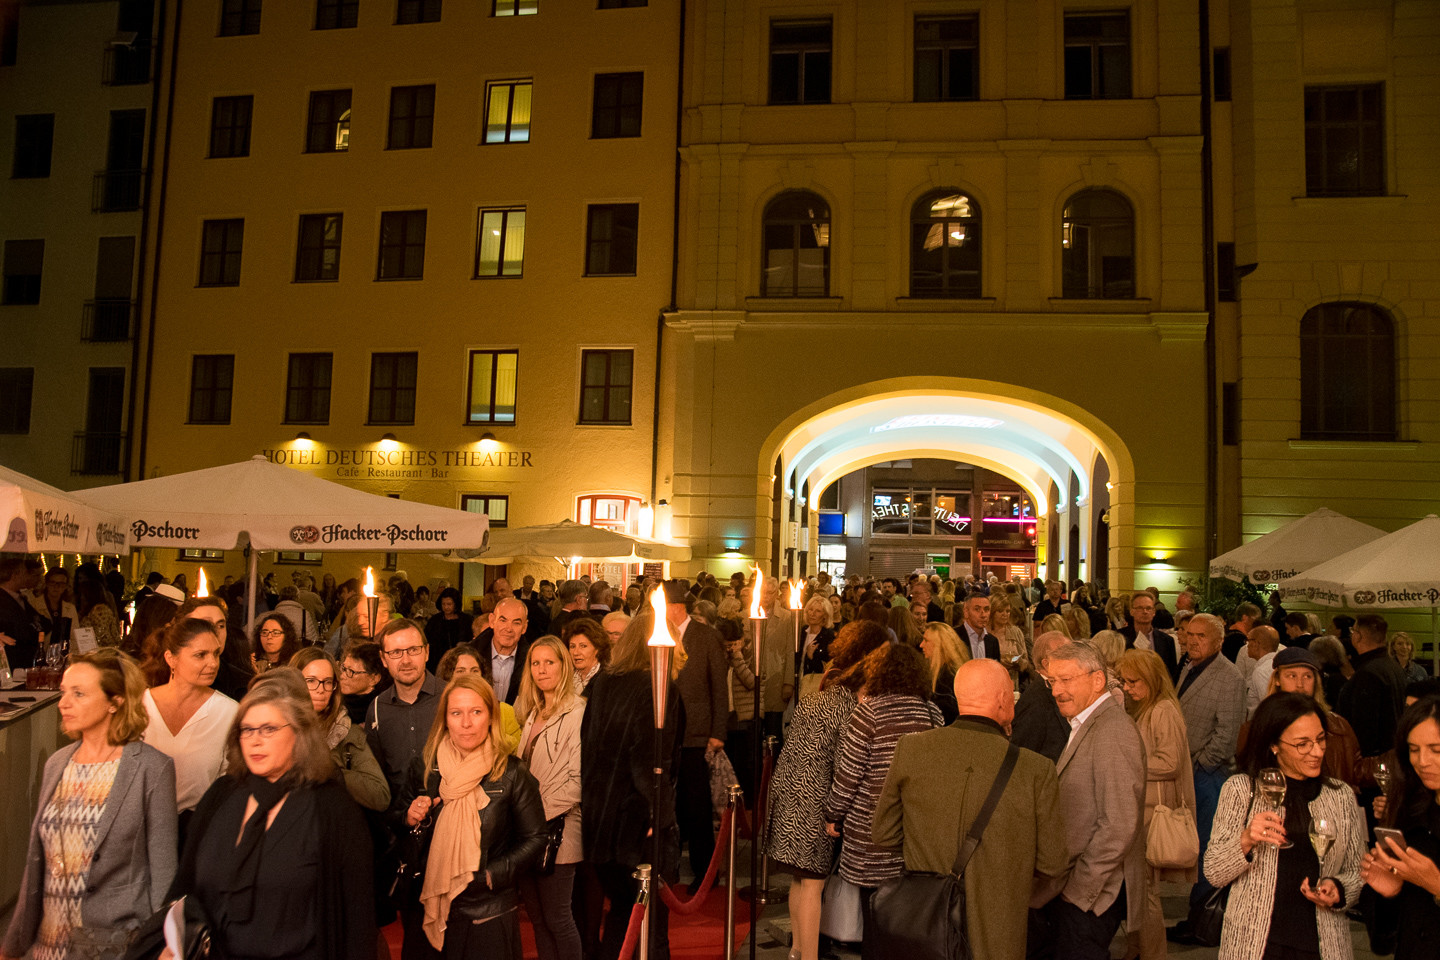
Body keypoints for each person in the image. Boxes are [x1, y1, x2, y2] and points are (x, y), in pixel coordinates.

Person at [167, 670, 377, 960]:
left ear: (299, 734)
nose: (255, 740)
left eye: (269, 729)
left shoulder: (331, 808)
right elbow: (185, 886)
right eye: (247, 729)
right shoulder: (222, 795)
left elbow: (357, 918)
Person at [872, 659, 1068, 960]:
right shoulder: (1036, 769)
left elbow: (883, 833)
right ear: (1004, 699)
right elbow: (1052, 863)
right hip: (1000, 931)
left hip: (927, 924)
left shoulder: (911, 749)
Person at [1, 649, 177, 960]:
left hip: (113, 944)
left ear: (116, 701)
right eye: (64, 692)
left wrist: (166, 943)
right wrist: (13, 943)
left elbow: (163, 870)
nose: (63, 703)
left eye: (79, 693)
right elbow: (37, 864)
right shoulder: (57, 763)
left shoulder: (152, 768)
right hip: (48, 944)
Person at [1204, 693, 1366, 959]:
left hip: (1322, 944)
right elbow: (1214, 872)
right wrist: (1245, 840)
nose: (1317, 751)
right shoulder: (1242, 791)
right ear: (1274, 745)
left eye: (1320, 739)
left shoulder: (1340, 795)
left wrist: (1338, 889)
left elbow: (1356, 871)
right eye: (1302, 744)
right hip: (1255, 944)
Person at [766, 621, 890, 960]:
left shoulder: (819, 696)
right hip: (816, 801)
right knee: (814, 883)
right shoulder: (849, 706)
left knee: (800, 880)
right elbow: (845, 762)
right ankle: (808, 956)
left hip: (791, 794)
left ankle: (796, 950)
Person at [399, 673, 546, 958]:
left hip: (487, 912)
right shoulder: (427, 767)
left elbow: (537, 837)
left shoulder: (512, 773)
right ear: (445, 719)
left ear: (490, 717)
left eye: (476, 712)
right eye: (456, 713)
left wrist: (492, 875)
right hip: (430, 905)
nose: (466, 723)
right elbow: (396, 824)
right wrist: (409, 818)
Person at [823, 642, 945, 960]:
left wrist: (833, 813)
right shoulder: (932, 712)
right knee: (909, 920)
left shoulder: (869, 713)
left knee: (874, 921)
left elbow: (848, 775)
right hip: (915, 832)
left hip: (872, 831)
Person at [580, 611, 683, 960]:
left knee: (622, 917)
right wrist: (658, 815)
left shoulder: (603, 683)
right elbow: (653, 761)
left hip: (600, 821)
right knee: (651, 926)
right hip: (638, 825)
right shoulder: (659, 689)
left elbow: (588, 748)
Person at [1034, 641, 1146, 960]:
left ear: (1097, 680)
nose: (1056, 691)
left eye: (1066, 680)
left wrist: (1078, 892)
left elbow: (1120, 824)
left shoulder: (1113, 730)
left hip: (1092, 898)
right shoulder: (1087, 722)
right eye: (1052, 681)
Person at [367, 618, 443, 960]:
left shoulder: (450, 697)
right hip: (405, 839)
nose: (406, 659)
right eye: (396, 652)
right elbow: (378, 779)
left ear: (426, 652)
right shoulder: (378, 708)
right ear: (384, 659)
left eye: (413, 649)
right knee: (413, 934)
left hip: (451, 831)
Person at [1170, 612, 1246, 942]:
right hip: (1189, 770)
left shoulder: (1229, 677)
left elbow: (1228, 734)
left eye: (1201, 636)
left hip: (1209, 775)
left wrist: (1201, 764)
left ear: (1217, 642)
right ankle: (1196, 917)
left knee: (1208, 850)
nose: (1192, 641)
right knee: (1196, 846)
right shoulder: (1188, 666)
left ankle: (1205, 922)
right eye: (1190, 634)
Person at [1117, 648, 1197, 960]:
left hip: (1154, 813)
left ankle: (1151, 954)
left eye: (1133, 681)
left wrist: (1130, 763)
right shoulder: (1149, 708)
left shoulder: (1163, 710)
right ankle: (1137, 950)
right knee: (1140, 891)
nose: (1127, 687)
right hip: (1145, 811)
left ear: (1151, 680)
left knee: (1146, 893)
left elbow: (1171, 762)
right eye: (1124, 681)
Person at [514, 637, 586, 960]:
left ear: (564, 665)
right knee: (538, 921)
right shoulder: (533, 711)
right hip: (527, 834)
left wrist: (531, 815)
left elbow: (577, 782)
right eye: (535, 663)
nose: (541, 669)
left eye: (550, 662)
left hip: (559, 830)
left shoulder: (579, 711)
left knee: (558, 918)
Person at [1360, 695, 1440, 960]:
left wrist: (1436, 884)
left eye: (1436, 749)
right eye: (1414, 749)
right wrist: (1388, 895)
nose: (1423, 761)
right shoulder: (1405, 810)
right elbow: (1383, 942)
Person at [141, 617, 241, 823]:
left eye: (216, 654)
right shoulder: (140, 705)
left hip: (198, 827)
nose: (212, 663)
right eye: (200, 655)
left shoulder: (229, 712)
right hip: (140, 825)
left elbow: (231, 782)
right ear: (171, 658)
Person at [663, 582, 728, 885]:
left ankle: (705, 873)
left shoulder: (706, 636)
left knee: (696, 805)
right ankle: (668, 867)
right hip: (665, 733)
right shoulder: (659, 635)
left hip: (695, 733)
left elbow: (718, 686)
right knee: (668, 805)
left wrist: (717, 731)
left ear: (675, 606)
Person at [291, 646, 391, 811]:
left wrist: (331, 771)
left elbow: (380, 795)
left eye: (327, 682)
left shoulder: (346, 731)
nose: (321, 689)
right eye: (311, 681)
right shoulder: (275, 726)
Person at [1338, 614, 1408, 761]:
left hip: (1373, 761)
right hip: (1392, 753)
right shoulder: (1393, 666)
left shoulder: (1368, 673)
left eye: (1353, 631)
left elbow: (1364, 726)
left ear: (1358, 637)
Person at [1011, 631, 1072, 763]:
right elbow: (1022, 755)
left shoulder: (1050, 690)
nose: (1073, 660)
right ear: (1046, 664)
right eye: (1066, 655)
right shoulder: (1035, 701)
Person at [477, 598, 533, 706]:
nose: (509, 628)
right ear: (492, 621)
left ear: (524, 627)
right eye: (503, 620)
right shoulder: (470, 655)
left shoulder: (533, 661)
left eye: (516, 623)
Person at [1122, 592, 1180, 681]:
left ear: (1153, 612)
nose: (1145, 612)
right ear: (1132, 611)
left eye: (1148, 608)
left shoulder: (1167, 641)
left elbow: (1172, 674)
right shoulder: (1121, 638)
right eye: (1140, 608)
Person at [919, 621, 968, 723]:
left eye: (926, 640)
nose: (921, 645)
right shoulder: (955, 673)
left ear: (939, 645)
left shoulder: (946, 680)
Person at [425, 587, 473, 674]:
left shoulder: (466, 620)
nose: (446, 607)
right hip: (437, 661)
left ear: (456, 604)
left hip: (461, 660)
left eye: (449, 604)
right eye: (443, 604)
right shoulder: (435, 620)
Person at [340, 640, 388, 724]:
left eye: (351, 671)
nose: (342, 676)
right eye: (344, 668)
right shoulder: (334, 701)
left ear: (373, 679)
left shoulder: (381, 712)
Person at [563, 618, 610, 692]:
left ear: (597, 648)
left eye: (583, 646)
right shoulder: (565, 678)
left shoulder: (607, 679)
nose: (576, 652)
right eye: (572, 646)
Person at [75, 578, 122, 649]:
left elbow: (104, 637)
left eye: (82, 594)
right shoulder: (91, 611)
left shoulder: (99, 612)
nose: (80, 598)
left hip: (101, 654)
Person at [955, 593, 1001, 662]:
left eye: (986, 609)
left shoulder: (992, 641)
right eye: (977, 609)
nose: (983, 615)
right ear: (966, 612)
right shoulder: (954, 637)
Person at [798, 595, 837, 677]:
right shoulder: (801, 632)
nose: (812, 614)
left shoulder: (829, 636)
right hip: (797, 679)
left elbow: (828, 668)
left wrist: (811, 657)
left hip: (814, 682)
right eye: (811, 610)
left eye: (818, 611)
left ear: (825, 615)